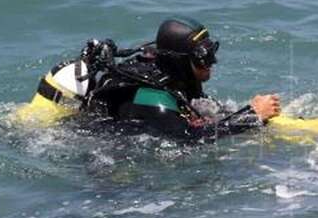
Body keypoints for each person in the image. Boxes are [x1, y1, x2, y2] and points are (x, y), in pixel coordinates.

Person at [23, 18, 280, 141]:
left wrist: (238, 115)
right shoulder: (152, 97)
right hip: (106, 164)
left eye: (211, 54)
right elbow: (188, 138)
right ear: (181, 61)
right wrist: (250, 116)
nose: (211, 64)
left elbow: (198, 114)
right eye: (203, 58)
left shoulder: (173, 77)